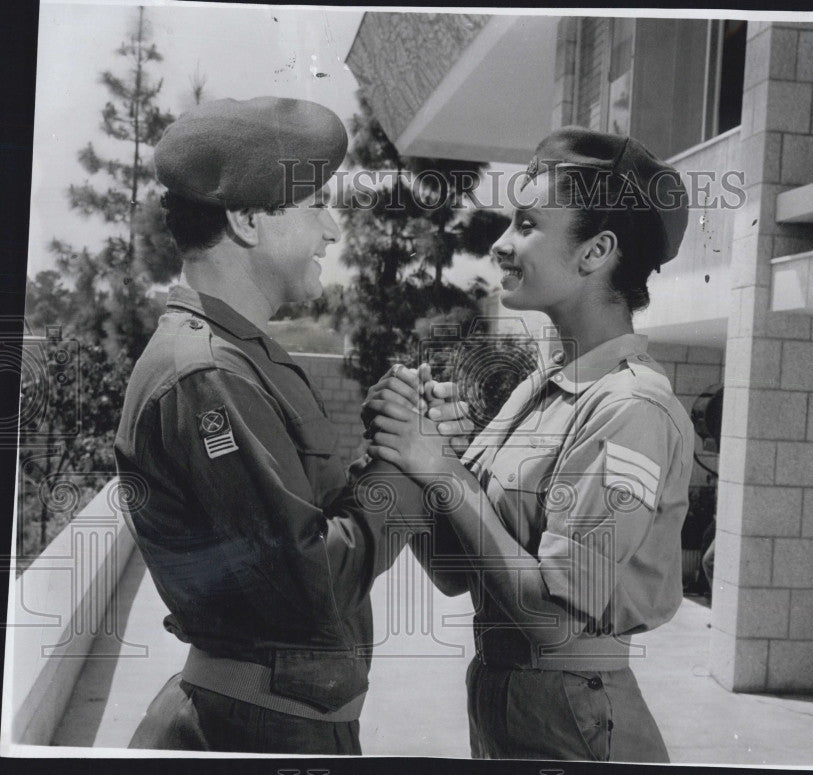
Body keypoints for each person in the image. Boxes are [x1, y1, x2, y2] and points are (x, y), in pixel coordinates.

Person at [114, 96, 465, 754]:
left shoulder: (239, 358)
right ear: (248, 218)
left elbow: (307, 523)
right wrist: (407, 468)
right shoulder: (208, 374)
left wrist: (391, 442)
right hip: (257, 731)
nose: (332, 230)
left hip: (280, 723)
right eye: (315, 205)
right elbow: (310, 582)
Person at [364, 127, 694, 762]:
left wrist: (445, 475)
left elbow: (552, 618)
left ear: (596, 251)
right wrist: (408, 446)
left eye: (526, 224)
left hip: (575, 716)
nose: (501, 244)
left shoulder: (630, 408)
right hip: (507, 700)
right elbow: (456, 575)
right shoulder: (539, 392)